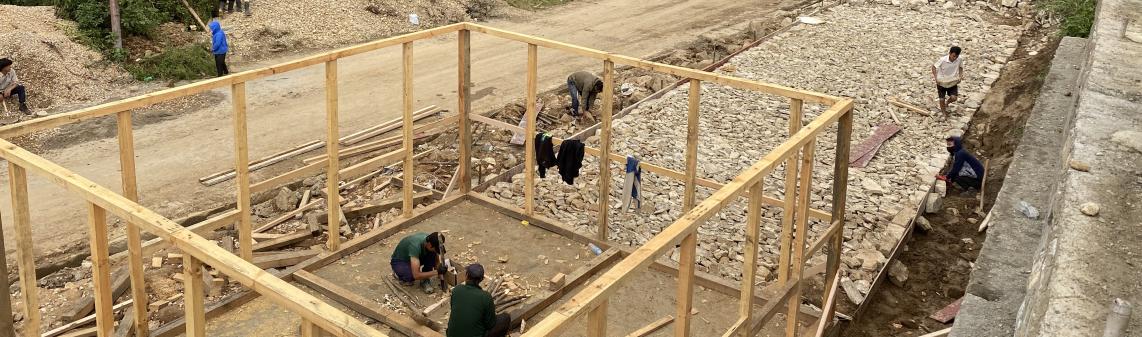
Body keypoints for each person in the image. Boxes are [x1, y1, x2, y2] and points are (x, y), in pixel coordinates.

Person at [447, 263, 510, 337]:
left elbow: (456, 309)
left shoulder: (457, 290)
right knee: (505, 318)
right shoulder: (486, 296)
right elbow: (490, 325)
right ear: (482, 279)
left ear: (466, 275)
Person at [931, 46, 964, 116]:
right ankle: (944, 113)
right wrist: (936, 77)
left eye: (956, 57)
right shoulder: (943, 60)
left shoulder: (959, 59)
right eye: (953, 56)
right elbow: (934, 67)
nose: (955, 58)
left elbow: (961, 67)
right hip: (941, 81)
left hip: (952, 81)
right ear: (949, 53)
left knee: (954, 98)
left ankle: (947, 103)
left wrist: (960, 76)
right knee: (941, 99)